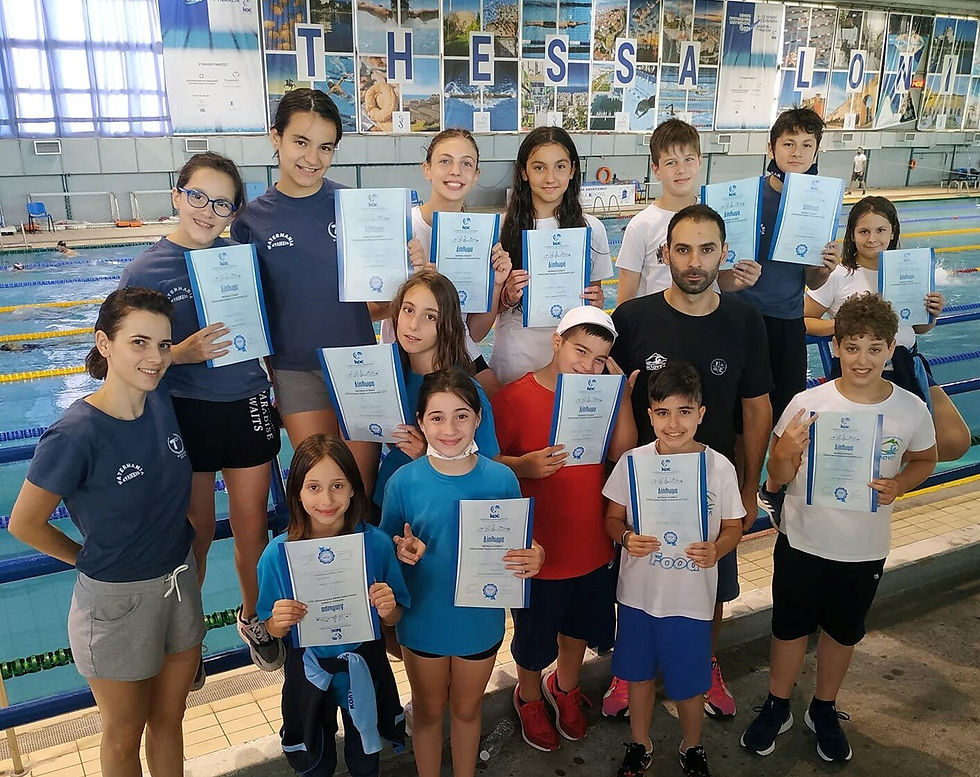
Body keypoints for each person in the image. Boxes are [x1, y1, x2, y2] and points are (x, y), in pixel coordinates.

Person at [9, 288, 204, 776]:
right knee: (123, 734)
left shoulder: (159, 400)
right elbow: (24, 523)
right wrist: (83, 559)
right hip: (117, 603)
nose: (155, 357)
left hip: (179, 583)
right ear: (104, 343)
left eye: (163, 345)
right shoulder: (76, 433)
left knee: (170, 719)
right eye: (139, 342)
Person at [740, 292, 937, 764]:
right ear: (835, 348)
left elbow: (925, 459)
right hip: (802, 540)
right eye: (852, 347)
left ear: (891, 349)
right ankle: (777, 704)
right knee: (788, 628)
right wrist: (784, 452)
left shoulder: (910, 409)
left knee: (843, 632)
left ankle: (823, 707)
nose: (862, 359)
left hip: (864, 548)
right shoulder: (807, 404)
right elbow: (776, 476)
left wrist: (900, 485)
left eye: (874, 348)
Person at [120, 152, 284, 675]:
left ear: (234, 211)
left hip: (246, 403)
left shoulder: (241, 260)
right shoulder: (145, 270)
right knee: (196, 532)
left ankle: (253, 617)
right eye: (197, 196)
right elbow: (125, 356)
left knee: (252, 527)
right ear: (177, 195)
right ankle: (186, 636)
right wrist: (180, 353)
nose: (207, 211)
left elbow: (267, 329)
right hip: (184, 413)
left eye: (222, 204)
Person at [610, 204, 773, 720]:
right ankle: (629, 669)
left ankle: (705, 662)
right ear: (665, 254)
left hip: (711, 488)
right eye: (683, 249)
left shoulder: (745, 321)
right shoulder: (632, 319)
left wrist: (748, 488)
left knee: (711, 580)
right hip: (643, 491)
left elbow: (757, 408)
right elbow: (608, 398)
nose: (695, 261)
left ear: (723, 253)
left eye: (706, 249)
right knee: (635, 579)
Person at [380, 368, 545, 777]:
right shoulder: (403, 482)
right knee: (428, 711)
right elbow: (384, 554)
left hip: (479, 621)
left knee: (468, 710)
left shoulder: (501, 478)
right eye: (437, 417)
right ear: (421, 422)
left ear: (478, 418)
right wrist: (401, 551)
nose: (450, 429)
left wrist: (535, 555)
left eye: (461, 416)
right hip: (423, 621)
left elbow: (520, 541)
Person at [493, 306, 637, 751]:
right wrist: (523, 466)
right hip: (539, 548)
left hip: (589, 541)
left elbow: (622, 452)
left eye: (599, 359)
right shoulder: (513, 398)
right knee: (534, 639)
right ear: (557, 342)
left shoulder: (601, 396)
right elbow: (484, 467)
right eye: (580, 351)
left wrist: (621, 396)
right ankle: (529, 696)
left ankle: (565, 687)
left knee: (577, 629)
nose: (588, 366)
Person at [230, 88, 380, 495]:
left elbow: (383, 301)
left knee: (360, 488)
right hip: (295, 370)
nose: (312, 158)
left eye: (325, 147)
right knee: (322, 486)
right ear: (275, 137)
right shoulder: (250, 222)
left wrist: (409, 269)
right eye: (301, 142)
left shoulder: (356, 207)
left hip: (358, 364)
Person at [604, 362, 744, 777]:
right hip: (638, 596)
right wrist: (626, 538)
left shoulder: (719, 467)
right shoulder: (633, 462)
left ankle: (692, 745)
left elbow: (734, 526)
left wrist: (717, 550)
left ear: (701, 414)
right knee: (638, 675)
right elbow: (612, 519)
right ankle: (640, 742)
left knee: (690, 681)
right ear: (650, 416)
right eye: (663, 413)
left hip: (691, 599)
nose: (673, 423)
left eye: (684, 412)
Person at [256, 434, 409, 777]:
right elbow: (271, 627)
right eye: (313, 487)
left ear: (354, 488)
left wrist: (389, 609)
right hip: (309, 669)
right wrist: (278, 622)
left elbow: (395, 615)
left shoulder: (376, 545)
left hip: (365, 665)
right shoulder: (277, 556)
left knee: (365, 758)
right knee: (316, 761)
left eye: (337, 486)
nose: (326, 499)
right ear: (297, 491)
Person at [798, 195, 969, 466]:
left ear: (893, 232)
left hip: (907, 365)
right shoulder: (839, 275)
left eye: (880, 230)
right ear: (852, 235)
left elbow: (919, 328)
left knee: (955, 439)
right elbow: (803, 319)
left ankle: (889, 466)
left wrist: (932, 314)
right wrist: (847, 328)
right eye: (864, 231)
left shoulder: (908, 272)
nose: (872, 238)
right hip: (861, 370)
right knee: (867, 447)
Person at [379, 128, 512, 397]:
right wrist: (415, 286)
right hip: (408, 351)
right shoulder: (401, 227)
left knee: (496, 399)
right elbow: (370, 312)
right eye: (445, 161)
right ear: (427, 169)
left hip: (456, 349)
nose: (455, 171)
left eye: (466, 164)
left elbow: (474, 332)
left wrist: (496, 285)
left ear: (476, 175)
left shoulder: (482, 236)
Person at [729, 107, 839, 429]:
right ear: (771, 148)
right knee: (737, 417)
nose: (797, 153)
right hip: (741, 318)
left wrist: (825, 268)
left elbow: (814, 282)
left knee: (788, 417)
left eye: (806, 145)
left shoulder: (821, 205)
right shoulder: (747, 197)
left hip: (788, 323)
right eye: (788, 143)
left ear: (816, 151)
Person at [372, 269, 502, 512]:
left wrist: (427, 454)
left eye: (430, 317)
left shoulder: (463, 391)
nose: (413, 325)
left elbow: (489, 476)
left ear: (448, 326)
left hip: (438, 511)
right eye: (408, 310)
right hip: (389, 501)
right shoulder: (388, 380)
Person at [492, 127, 614, 384]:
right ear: (524, 172)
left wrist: (596, 301)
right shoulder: (501, 228)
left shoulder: (592, 229)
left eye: (560, 166)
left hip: (571, 359)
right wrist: (508, 297)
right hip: (516, 353)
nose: (550, 177)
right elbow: (488, 312)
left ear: (572, 170)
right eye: (539, 167)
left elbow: (591, 306)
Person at [616, 119, 760, 305]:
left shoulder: (714, 218)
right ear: (656, 170)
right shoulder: (641, 226)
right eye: (671, 163)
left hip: (706, 315)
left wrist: (741, 279)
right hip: (658, 318)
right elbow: (625, 297)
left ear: (699, 161)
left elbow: (718, 279)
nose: (681, 170)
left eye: (688, 160)